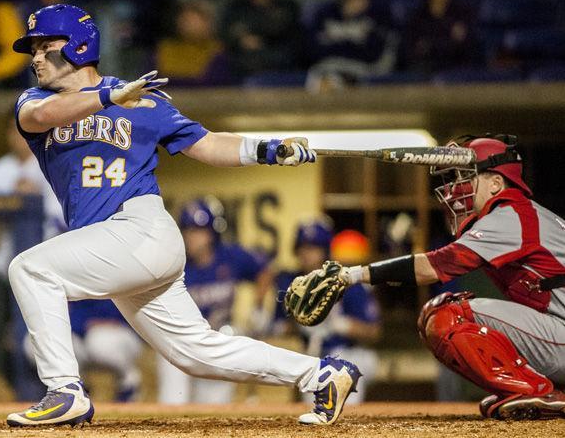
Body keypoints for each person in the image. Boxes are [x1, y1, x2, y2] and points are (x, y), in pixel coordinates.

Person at [6, 4, 358, 427]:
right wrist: (108, 97)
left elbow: (207, 145)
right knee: (195, 352)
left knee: (29, 268)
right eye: (34, 50)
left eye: (46, 47)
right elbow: (40, 117)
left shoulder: (142, 101)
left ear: (79, 47)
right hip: (110, 244)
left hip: (139, 228)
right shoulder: (37, 99)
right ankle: (321, 373)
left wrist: (266, 150)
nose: (37, 58)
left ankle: (64, 389)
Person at [297, 134, 565, 419]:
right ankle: (528, 390)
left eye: (467, 177)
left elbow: (432, 267)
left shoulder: (512, 215)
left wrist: (352, 275)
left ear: (496, 184)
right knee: (443, 313)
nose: (456, 187)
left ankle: (534, 390)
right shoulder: (525, 214)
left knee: (448, 315)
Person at [0, 117, 65, 386]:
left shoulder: (55, 162)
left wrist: (35, 198)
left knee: (31, 341)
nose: (19, 136)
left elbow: (67, 220)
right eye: (15, 130)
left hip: (44, 269)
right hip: (4, 267)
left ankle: (56, 387)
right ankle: (27, 386)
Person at [157, 197, 271, 404]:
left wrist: (258, 307)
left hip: (218, 338)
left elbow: (264, 271)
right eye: (188, 231)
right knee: (173, 396)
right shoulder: (174, 261)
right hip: (183, 341)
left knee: (212, 408)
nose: (192, 237)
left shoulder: (230, 256)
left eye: (199, 231)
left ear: (213, 233)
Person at [275, 221, 381, 404]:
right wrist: (297, 323)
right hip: (311, 355)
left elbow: (374, 331)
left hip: (348, 353)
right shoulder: (290, 283)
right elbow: (278, 329)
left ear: (325, 250)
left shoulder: (345, 280)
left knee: (341, 401)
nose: (306, 254)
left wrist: (341, 325)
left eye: (313, 248)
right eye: (302, 247)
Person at [397, 0, 481, 76]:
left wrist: (432, 44)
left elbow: (470, 44)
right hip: (426, 70)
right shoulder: (416, 16)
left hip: (459, 70)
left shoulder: (463, 12)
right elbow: (413, 49)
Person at [152, 0, 232, 87]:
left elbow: (211, 84)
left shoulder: (217, 51)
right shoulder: (165, 49)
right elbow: (151, 81)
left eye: (194, 20)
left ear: (208, 23)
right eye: (185, 19)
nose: (188, 24)